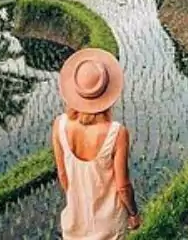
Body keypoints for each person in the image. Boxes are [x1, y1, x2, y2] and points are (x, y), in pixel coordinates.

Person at [52, 48, 141, 240]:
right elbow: (123, 186)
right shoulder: (117, 133)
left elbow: (62, 174)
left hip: (75, 221)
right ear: (108, 93)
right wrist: (133, 214)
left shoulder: (59, 125)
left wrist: (79, 202)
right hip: (109, 225)